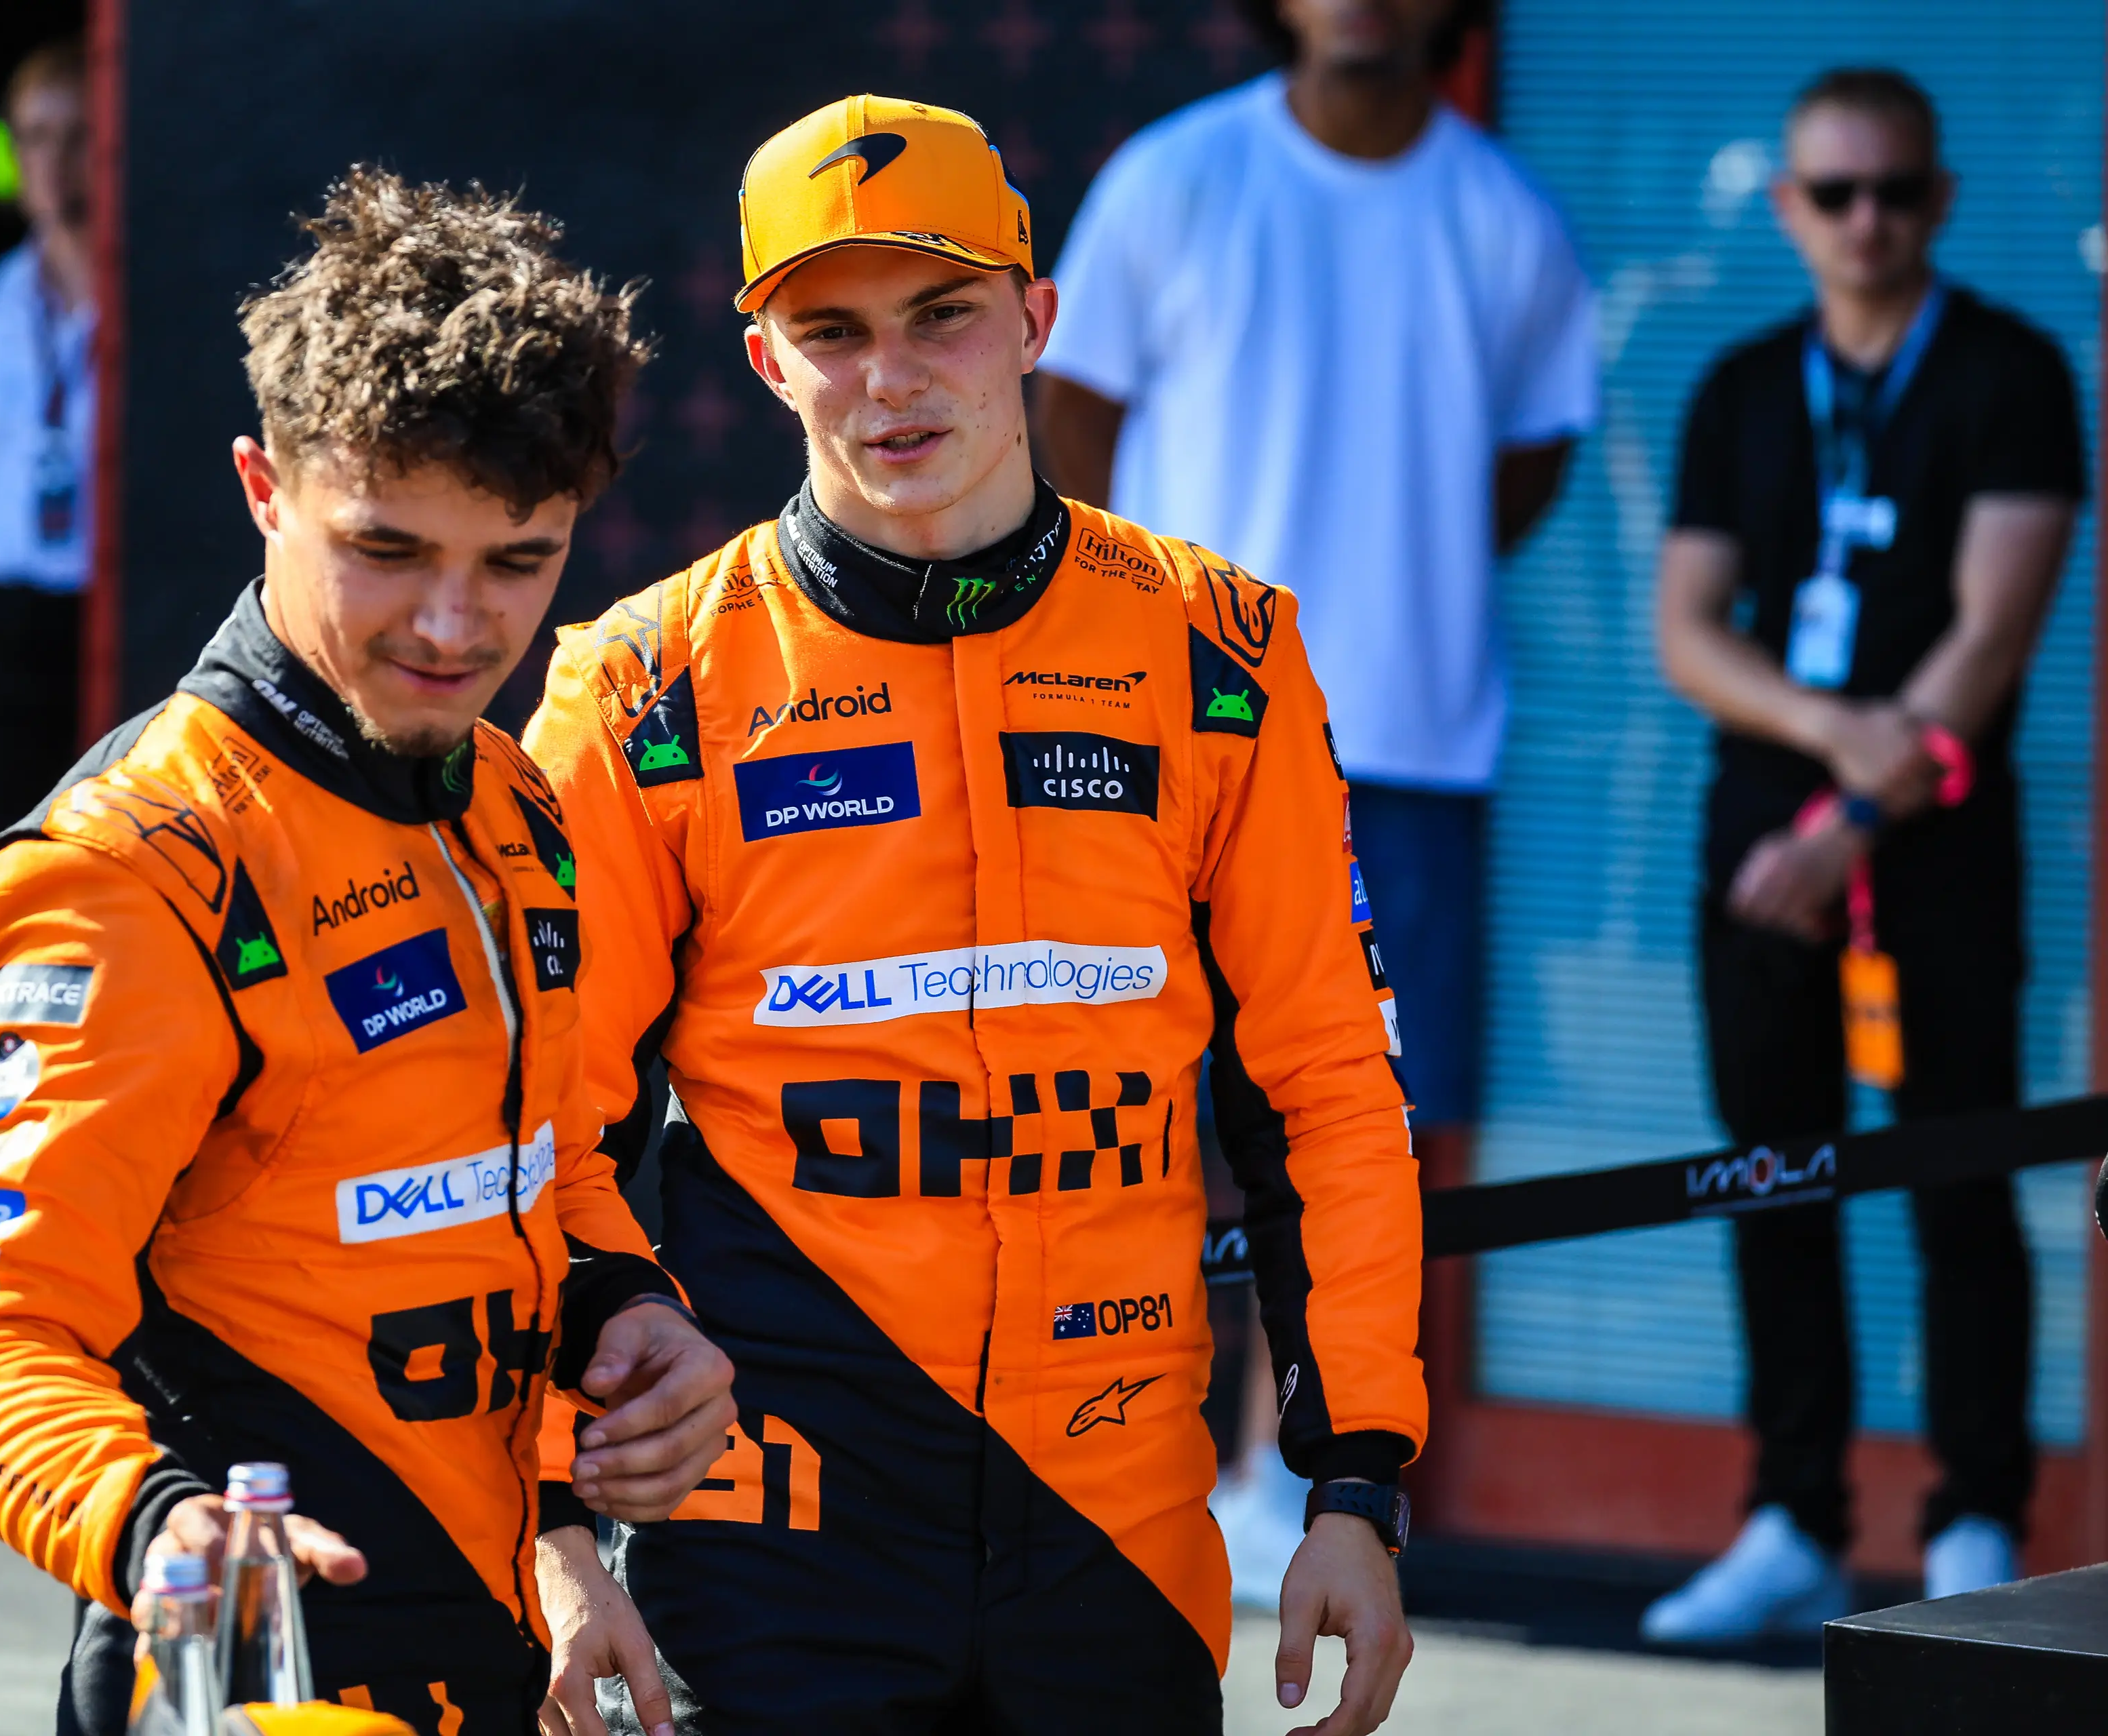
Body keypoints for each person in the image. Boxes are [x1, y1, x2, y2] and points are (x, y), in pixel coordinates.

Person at [527, 95, 1422, 1736]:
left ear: (1036, 320)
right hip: (772, 1528)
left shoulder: (1219, 650)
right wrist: (554, 1520)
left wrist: (1356, 1484)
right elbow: (535, 1134)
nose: (892, 377)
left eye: (940, 313)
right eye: (834, 331)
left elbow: (1326, 1086)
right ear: (766, 360)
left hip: (1117, 1524)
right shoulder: (644, 685)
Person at [0, 167, 736, 1736]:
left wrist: (630, 1317)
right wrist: (163, 1530)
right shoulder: (129, 872)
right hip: (246, 1670)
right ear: (264, 486)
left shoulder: (511, 803)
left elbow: (538, 1178)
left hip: (502, 1649)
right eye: (388, 547)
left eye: (518, 559)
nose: (454, 626)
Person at [1031, 0, 1597, 1604]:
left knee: (1352, 1121)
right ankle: (1158, 1457)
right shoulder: (1176, 176)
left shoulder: (1503, 213)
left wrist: (1397, 571)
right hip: (1171, 739)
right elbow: (1074, 428)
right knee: (1147, 1107)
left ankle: (1302, 1473)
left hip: (1400, 744)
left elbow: (1530, 458)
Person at [1644, 68, 2081, 1641]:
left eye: (1895, 190)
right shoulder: (1741, 386)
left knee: (1959, 1175)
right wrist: (1833, 743)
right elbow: (1687, 629)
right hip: (1766, 839)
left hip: (1933, 840)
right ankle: (1792, 1519)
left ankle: (1974, 1522)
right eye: (1834, 194)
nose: (1867, 221)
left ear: (1939, 198)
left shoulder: (2011, 371)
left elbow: (1991, 633)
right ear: (1788, 208)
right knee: (1772, 1175)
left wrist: (1855, 818)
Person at [0, 35, 100, 837]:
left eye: (77, 137)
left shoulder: (145, 291)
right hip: (6, 609)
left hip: (105, 604)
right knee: (11, 839)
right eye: (34, 138)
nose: (53, 163)